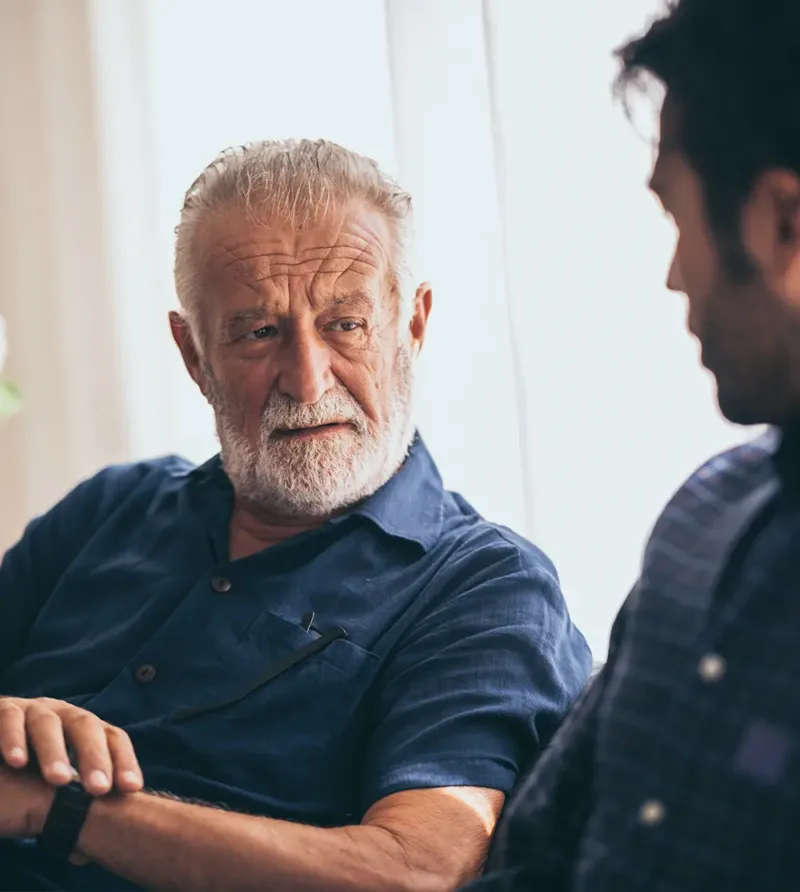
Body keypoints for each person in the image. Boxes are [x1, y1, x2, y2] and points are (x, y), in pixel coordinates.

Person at [0, 139, 591, 891]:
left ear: (413, 324)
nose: (308, 381)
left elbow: (416, 872)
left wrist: (66, 810)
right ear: (193, 354)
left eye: (346, 324)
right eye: (257, 332)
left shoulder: (485, 587)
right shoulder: (111, 508)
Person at [467, 0, 800, 890]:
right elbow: (533, 855)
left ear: (781, 226)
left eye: (677, 217)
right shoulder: (702, 519)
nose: (672, 272)